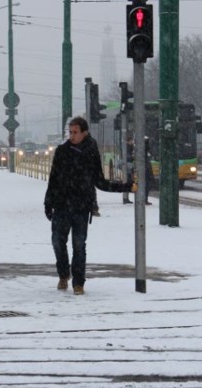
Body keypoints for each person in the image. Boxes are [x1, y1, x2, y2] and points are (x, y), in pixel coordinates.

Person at [44, 116, 134, 295]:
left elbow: (100, 181)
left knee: (79, 244)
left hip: (81, 206)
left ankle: (78, 282)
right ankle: (63, 274)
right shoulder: (62, 151)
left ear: (84, 133)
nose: (72, 136)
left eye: (75, 132)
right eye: (70, 132)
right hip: (61, 204)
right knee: (57, 242)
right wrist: (48, 202)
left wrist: (125, 187)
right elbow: (53, 179)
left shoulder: (91, 152)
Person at [123, 137, 135, 204]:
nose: (132, 142)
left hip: (128, 166)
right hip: (128, 166)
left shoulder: (128, 147)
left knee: (128, 182)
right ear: (128, 141)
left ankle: (126, 198)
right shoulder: (128, 147)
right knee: (128, 181)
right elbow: (128, 157)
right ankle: (126, 198)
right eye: (131, 141)